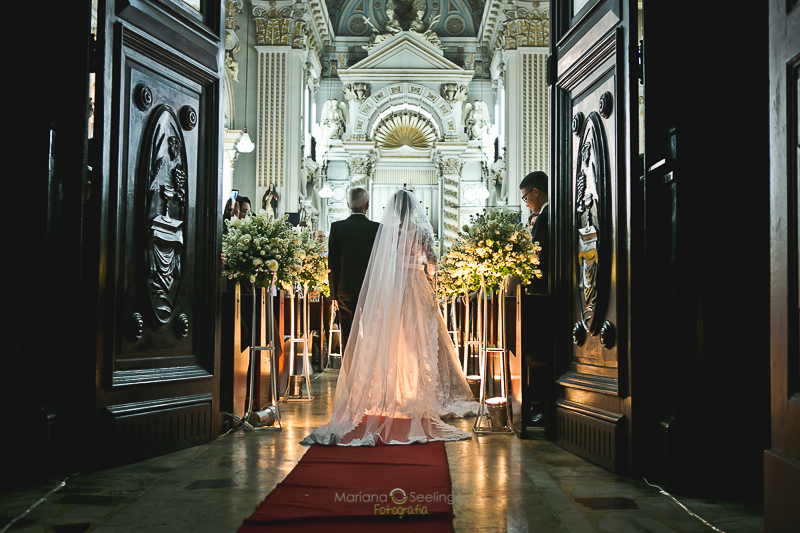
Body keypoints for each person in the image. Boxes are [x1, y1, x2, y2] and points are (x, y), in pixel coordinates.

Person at [303, 189, 478, 446]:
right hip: (416, 285)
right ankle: (418, 390)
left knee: (395, 339)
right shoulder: (422, 233)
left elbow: (379, 264)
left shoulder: (386, 233)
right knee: (420, 340)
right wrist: (430, 279)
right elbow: (433, 265)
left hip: (394, 289)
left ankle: (394, 390)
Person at [326, 188, 380, 358]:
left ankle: (349, 371)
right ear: (367, 205)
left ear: (348, 205)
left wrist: (333, 294)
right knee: (372, 334)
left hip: (345, 289)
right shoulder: (377, 229)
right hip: (371, 290)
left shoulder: (337, 228)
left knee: (348, 335)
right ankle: (369, 369)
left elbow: (332, 263)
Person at [519, 171, 549, 294]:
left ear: (535, 192)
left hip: (542, 289)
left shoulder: (543, 218)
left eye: (526, 198)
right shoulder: (555, 213)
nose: (527, 205)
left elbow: (535, 257)